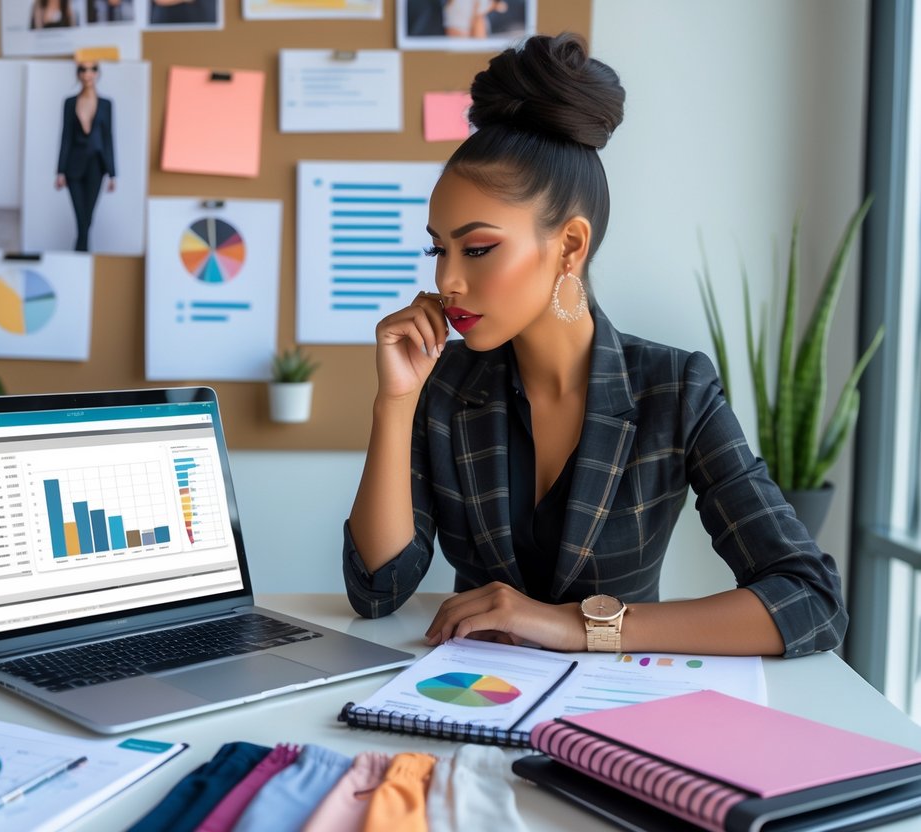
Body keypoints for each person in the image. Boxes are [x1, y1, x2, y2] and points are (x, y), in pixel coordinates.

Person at [343, 33, 847, 659]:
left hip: (617, 720)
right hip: (467, 702)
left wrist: (576, 626)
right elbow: (377, 590)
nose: (446, 280)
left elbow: (811, 601)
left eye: (476, 249)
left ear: (570, 246)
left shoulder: (676, 389)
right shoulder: (442, 385)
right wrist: (394, 401)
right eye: (437, 249)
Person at [55, 61, 116, 252]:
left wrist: (113, 173)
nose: (87, 74)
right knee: (80, 216)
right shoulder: (69, 102)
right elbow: (65, 136)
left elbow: (108, 138)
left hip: (96, 165)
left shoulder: (106, 104)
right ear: (78, 74)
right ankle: (82, 257)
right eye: (83, 69)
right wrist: (60, 171)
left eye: (92, 69)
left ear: (98, 73)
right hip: (74, 165)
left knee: (87, 217)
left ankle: (79, 256)